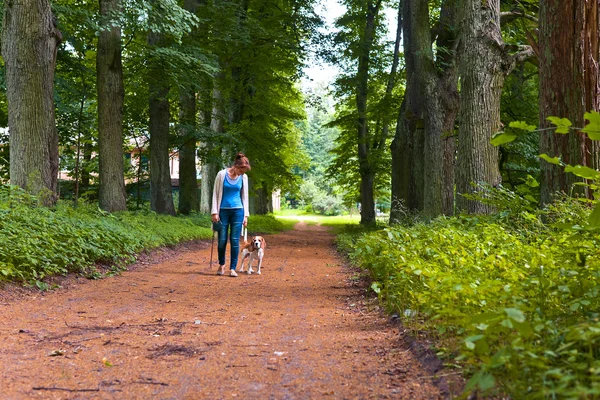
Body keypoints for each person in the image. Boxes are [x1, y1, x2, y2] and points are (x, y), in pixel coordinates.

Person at [211, 153, 251, 277]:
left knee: (234, 241)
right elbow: (215, 194)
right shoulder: (221, 175)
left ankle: (233, 268)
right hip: (222, 210)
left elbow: (245, 197)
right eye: (241, 170)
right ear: (235, 166)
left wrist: (245, 215)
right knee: (222, 240)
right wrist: (214, 212)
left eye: (244, 171)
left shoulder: (244, 178)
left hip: (238, 211)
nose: (242, 173)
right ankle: (222, 265)